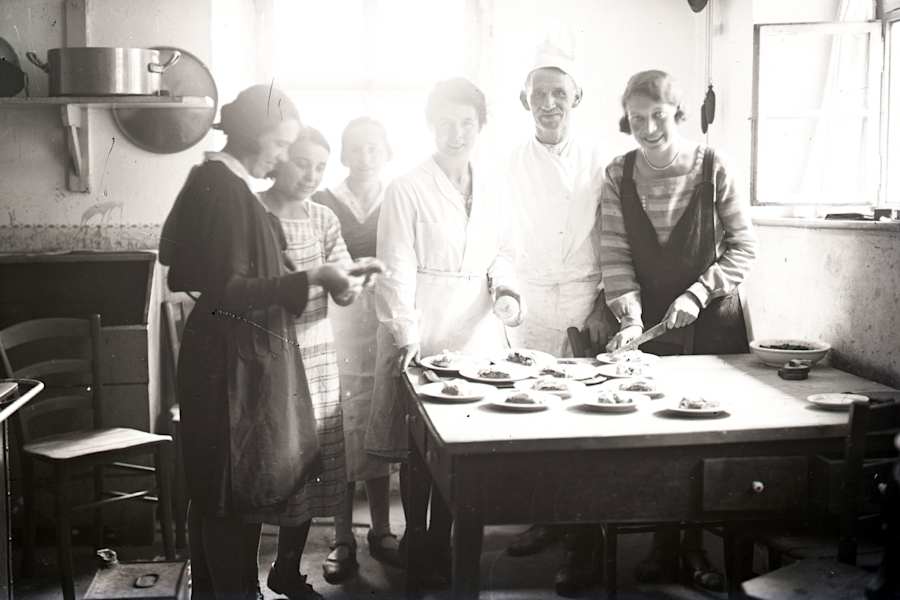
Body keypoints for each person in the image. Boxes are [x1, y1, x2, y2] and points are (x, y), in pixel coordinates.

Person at [159, 84, 374, 600]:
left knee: (217, 491)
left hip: (221, 352)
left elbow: (176, 262)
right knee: (230, 493)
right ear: (254, 135)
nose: (281, 156)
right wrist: (312, 277)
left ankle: (215, 592)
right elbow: (229, 290)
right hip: (227, 362)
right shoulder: (228, 190)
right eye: (279, 144)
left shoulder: (209, 178)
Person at [600, 69, 757, 592]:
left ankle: (695, 547)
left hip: (711, 320)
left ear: (678, 114)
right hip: (652, 323)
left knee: (707, 437)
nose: (648, 129)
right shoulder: (618, 174)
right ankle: (663, 546)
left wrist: (698, 293)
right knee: (657, 437)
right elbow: (615, 255)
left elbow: (744, 248)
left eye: (658, 116)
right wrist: (630, 318)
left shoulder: (714, 166)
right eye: (637, 118)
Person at [366, 77, 524, 584]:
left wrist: (506, 291)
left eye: (466, 123)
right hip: (423, 324)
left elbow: (505, 252)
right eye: (446, 123)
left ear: (481, 126)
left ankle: (445, 542)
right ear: (430, 126)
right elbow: (394, 266)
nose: (456, 134)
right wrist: (406, 333)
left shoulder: (495, 186)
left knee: (462, 445)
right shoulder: (406, 187)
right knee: (419, 446)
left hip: (477, 329)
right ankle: (417, 542)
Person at [502, 35, 615, 595]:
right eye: (539, 93)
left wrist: (603, 304)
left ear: (577, 98)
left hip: (583, 301)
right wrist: (506, 291)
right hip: (529, 303)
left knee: (581, 421)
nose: (549, 103)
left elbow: (614, 239)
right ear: (525, 100)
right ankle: (545, 519)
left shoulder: (604, 162)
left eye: (559, 93)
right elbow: (500, 240)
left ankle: (582, 543)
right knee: (534, 414)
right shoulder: (507, 164)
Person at [256, 127, 383, 593]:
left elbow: (343, 289)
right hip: (264, 357)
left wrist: (357, 282)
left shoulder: (323, 217)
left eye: (319, 168)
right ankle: (244, 578)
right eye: (302, 163)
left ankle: (287, 570)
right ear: (279, 160)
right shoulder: (254, 213)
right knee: (265, 467)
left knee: (309, 469)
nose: (311, 175)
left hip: (316, 358)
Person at [313, 117, 403, 582]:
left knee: (378, 420)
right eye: (355, 148)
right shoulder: (323, 200)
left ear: (387, 152)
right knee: (341, 425)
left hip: (384, 318)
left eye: (373, 148)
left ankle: (382, 531)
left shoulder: (399, 196)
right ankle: (342, 536)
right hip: (339, 322)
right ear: (344, 154)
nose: (365, 157)